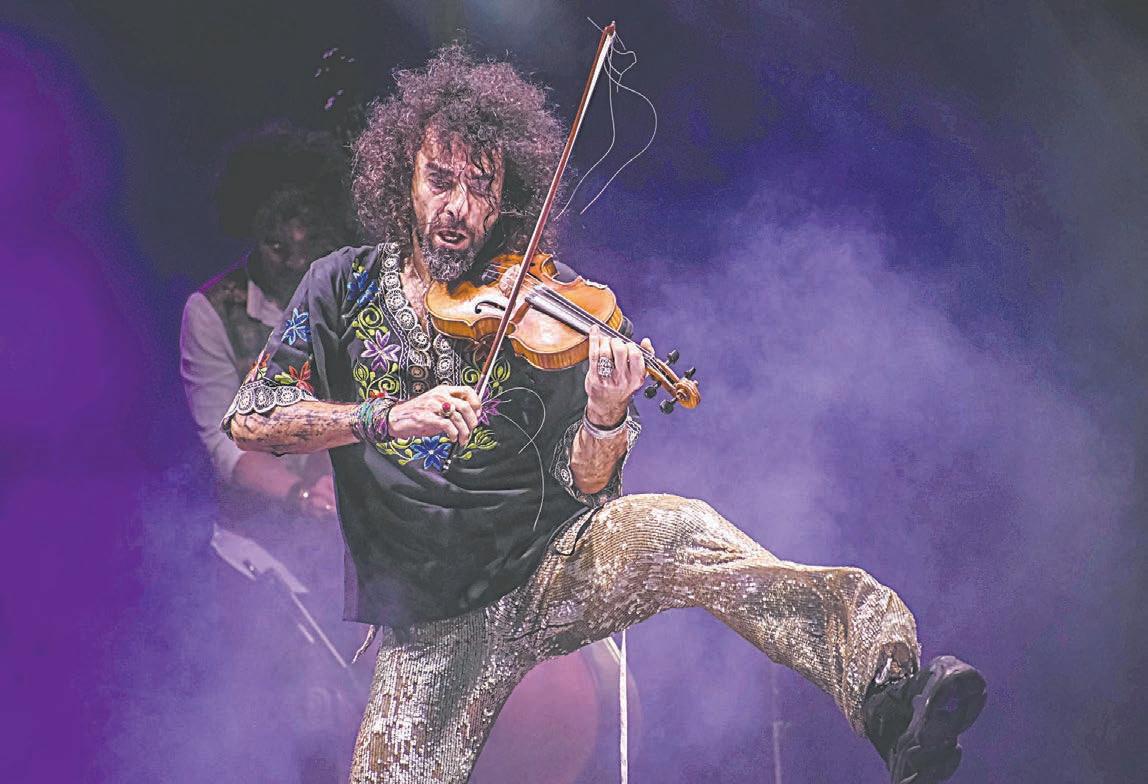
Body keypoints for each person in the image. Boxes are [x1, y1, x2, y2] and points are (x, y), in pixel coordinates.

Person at [221, 45, 986, 784]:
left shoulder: (550, 302)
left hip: (548, 570)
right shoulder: (341, 286)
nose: (457, 206)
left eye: (480, 187)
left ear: (506, 200)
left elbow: (589, 487)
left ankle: (887, 692)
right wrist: (389, 417)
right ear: (404, 179)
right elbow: (252, 416)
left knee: (679, 529)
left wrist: (605, 414)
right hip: (430, 623)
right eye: (440, 179)